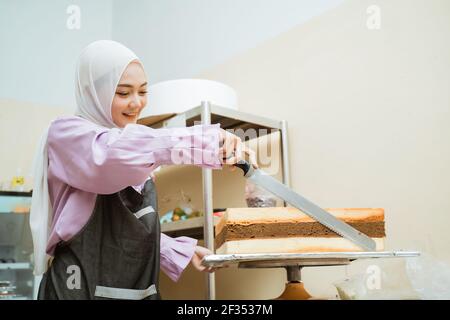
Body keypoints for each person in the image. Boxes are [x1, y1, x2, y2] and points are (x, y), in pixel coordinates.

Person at [30, 40, 256, 300]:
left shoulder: (135, 152)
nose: (136, 103)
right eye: (123, 93)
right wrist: (205, 142)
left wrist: (181, 251)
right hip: (77, 288)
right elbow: (108, 156)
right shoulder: (68, 134)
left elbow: (125, 230)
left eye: (143, 92)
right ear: (94, 93)